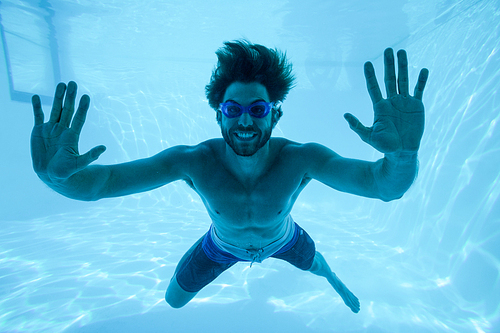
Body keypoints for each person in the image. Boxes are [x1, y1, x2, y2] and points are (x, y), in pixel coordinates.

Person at [30, 40, 429, 313]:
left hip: (283, 238)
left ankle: (336, 282)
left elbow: (383, 186)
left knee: (319, 268)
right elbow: (100, 184)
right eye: (232, 109)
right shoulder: (192, 162)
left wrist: (403, 156)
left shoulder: (303, 159)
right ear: (218, 114)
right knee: (173, 301)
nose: (244, 120)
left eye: (257, 110)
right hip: (222, 246)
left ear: (275, 114)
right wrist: (55, 179)